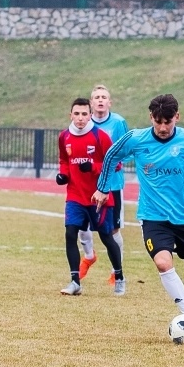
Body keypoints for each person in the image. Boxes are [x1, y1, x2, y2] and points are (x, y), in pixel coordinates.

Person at [92, 94, 184, 339]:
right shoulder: (136, 138)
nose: (163, 128)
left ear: (177, 117)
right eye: (158, 122)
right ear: (151, 118)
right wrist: (102, 187)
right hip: (153, 216)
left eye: (168, 122)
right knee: (163, 263)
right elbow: (112, 155)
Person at [57, 97, 125, 296]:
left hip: (99, 197)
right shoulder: (64, 137)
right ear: (71, 115)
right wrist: (63, 174)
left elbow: (117, 165)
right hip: (75, 196)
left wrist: (94, 167)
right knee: (70, 234)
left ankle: (119, 276)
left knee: (106, 237)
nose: (80, 118)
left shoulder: (100, 136)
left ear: (90, 115)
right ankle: (75, 281)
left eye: (84, 114)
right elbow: (64, 160)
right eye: (76, 114)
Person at [77, 84, 129, 285]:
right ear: (91, 103)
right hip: (88, 183)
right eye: (96, 97)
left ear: (109, 102)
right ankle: (89, 256)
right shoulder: (85, 123)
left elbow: (124, 149)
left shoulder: (118, 122)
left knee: (113, 229)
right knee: (81, 223)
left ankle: (117, 271)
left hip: (112, 184)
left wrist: (112, 162)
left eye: (103, 97)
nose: (100, 100)